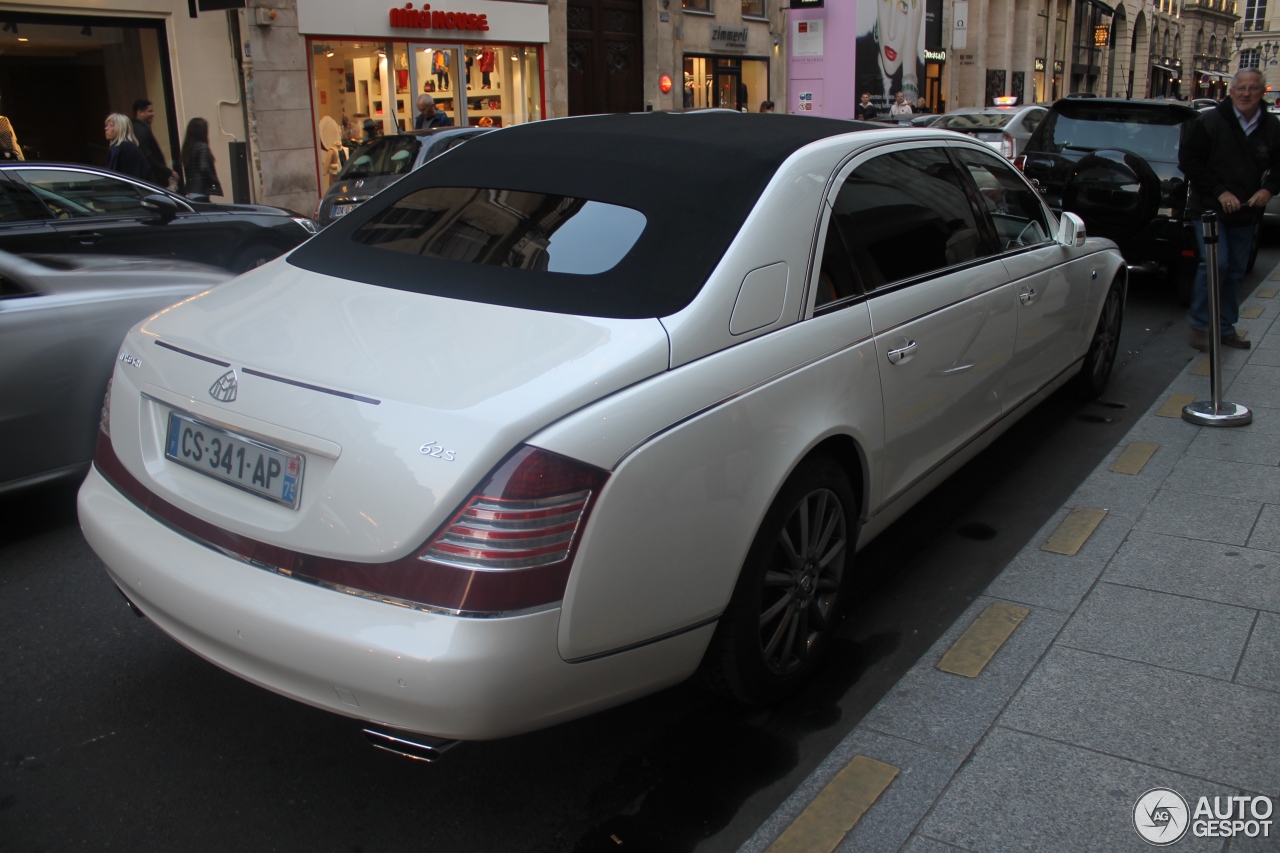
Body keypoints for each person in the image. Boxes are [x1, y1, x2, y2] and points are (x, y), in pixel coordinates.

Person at [1179, 67, 1280, 351]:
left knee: (1235, 271)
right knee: (1216, 264)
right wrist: (1219, 191)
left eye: (1253, 88)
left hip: (1245, 212)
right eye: (1241, 88)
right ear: (1231, 91)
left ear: (1262, 92)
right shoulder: (1210, 122)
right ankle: (1200, 324)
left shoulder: (1271, 127)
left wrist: (1268, 189)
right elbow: (1189, 161)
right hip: (1209, 211)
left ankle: (1225, 327)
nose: (1246, 93)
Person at [132, 98, 177, 188]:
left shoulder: (136, 129)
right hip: (150, 181)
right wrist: (168, 172)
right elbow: (148, 158)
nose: (153, 114)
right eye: (150, 111)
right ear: (140, 112)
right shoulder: (141, 131)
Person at [180, 117, 221, 202]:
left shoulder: (188, 147)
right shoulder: (202, 147)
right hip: (201, 190)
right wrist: (215, 181)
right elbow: (204, 167)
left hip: (190, 190)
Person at [104, 113, 151, 180]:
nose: (106, 128)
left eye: (111, 126)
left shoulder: (126, 148)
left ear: (120, 128)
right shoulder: (115, 148)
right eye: (106, 126)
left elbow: (130, 177)